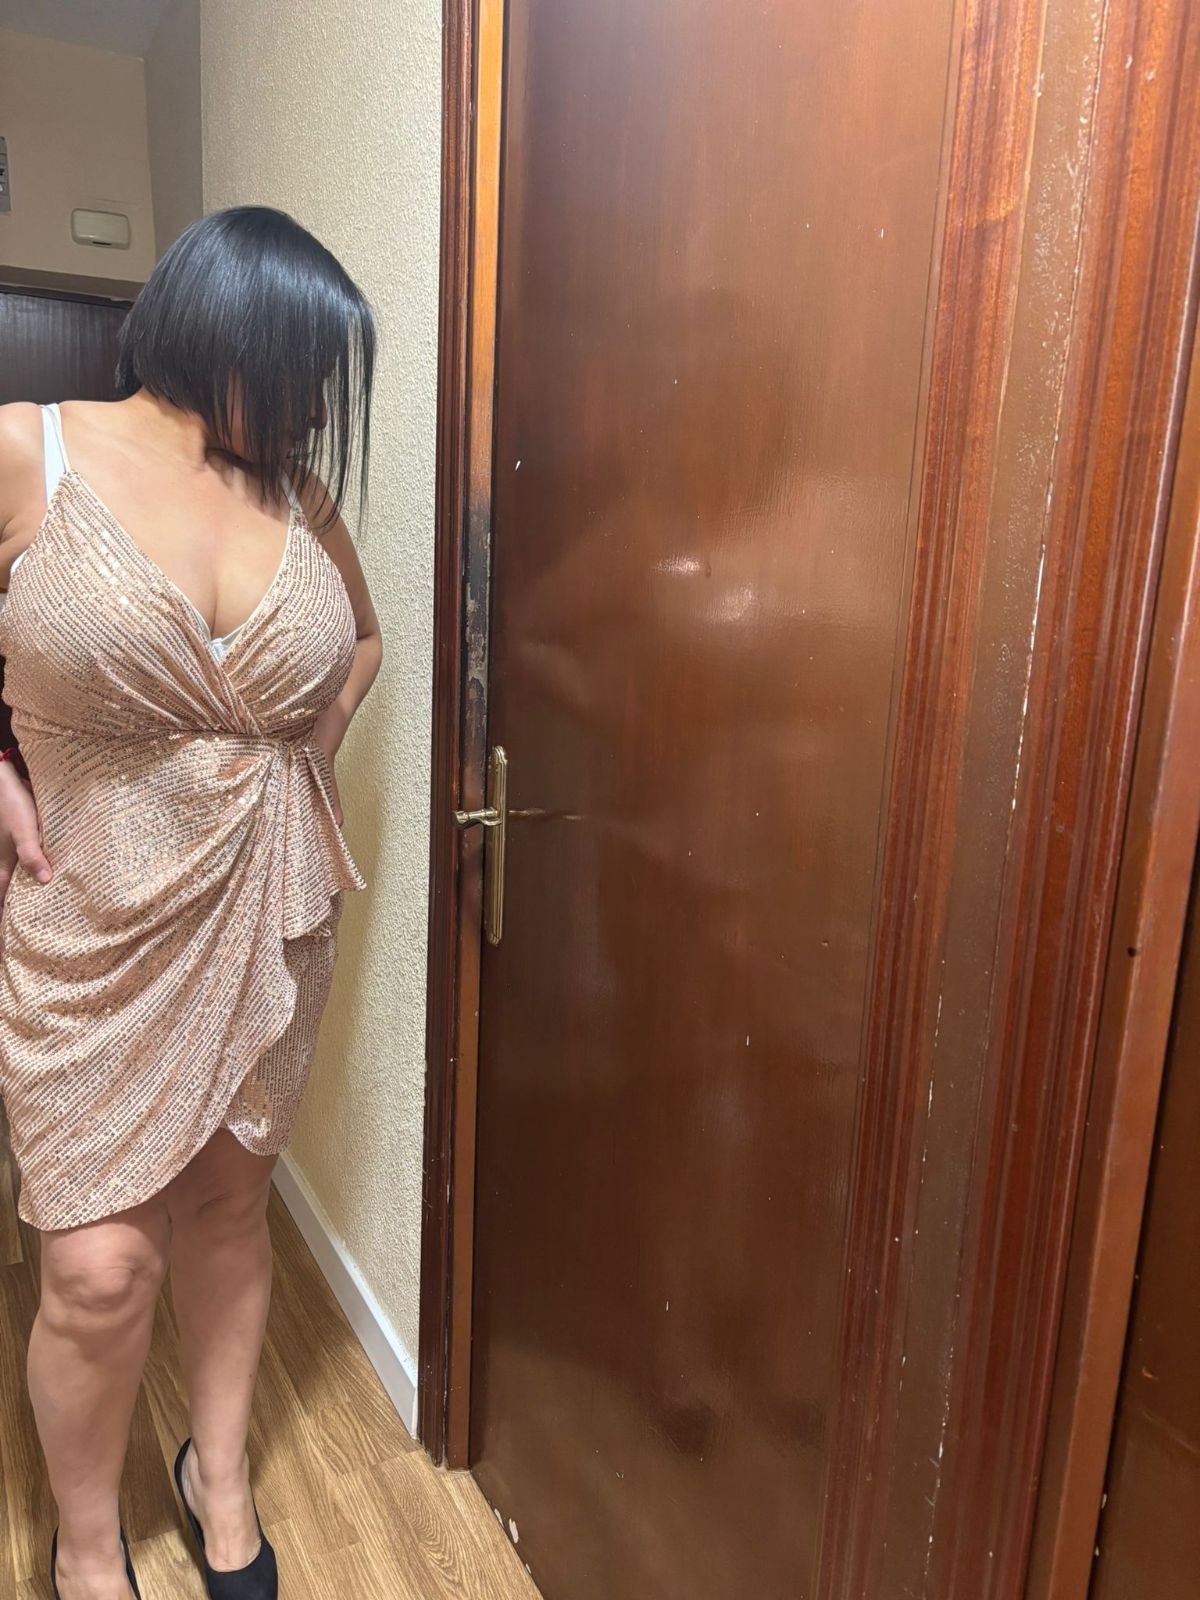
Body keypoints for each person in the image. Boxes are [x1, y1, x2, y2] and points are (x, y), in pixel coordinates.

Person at [0, 206, 382, 1600]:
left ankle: (218, 1484)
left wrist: (307, 751)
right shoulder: (29, 447)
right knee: (98, 1270)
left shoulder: (298, 499)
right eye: (307, 371)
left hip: (266, 917)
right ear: (230, 327)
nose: (316, 409)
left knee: (228, 1210)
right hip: (92, 932)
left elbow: (364, 638)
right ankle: (86, 1543)